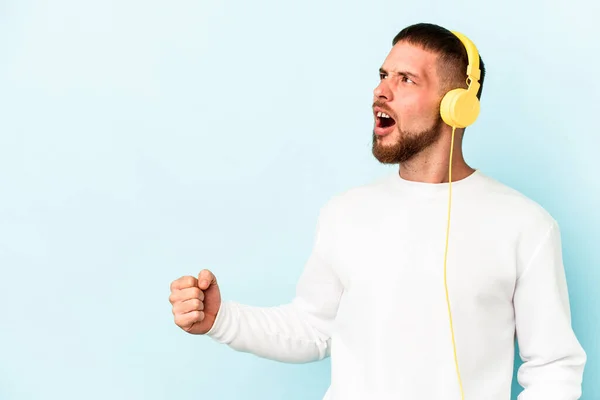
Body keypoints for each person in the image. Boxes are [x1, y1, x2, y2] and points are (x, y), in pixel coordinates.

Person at [168, 22, 587, 399]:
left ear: (455, 105)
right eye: (383, 75)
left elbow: (554, 368)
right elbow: (312, 329)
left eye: (406, 79)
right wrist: (219, 319)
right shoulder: (345, 213)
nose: (381, 91)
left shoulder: (524, 225)